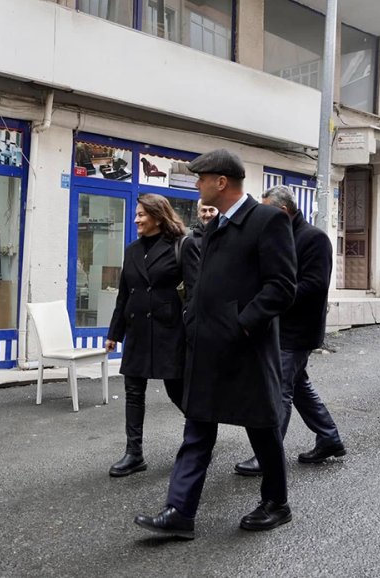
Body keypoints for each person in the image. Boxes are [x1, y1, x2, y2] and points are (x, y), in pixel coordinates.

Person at [134, 149, 296, 539]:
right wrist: (193, 320)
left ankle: (277, 502)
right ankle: (179, 511)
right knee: (197, 428)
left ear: (221, 182)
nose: (197, 186)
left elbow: (281, 287)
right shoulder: (212, 226)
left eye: (201, 179)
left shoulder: (267, 220)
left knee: (262, 426)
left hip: (247, 348)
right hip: (205, 347)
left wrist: (241, 325)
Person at [234, 185, 345, 477]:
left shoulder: (314, 238)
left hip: (298, 329)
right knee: (298, 387)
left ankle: (267, 456)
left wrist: (276, 295)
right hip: (278, 326)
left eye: (266, 208)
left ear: (282, 210)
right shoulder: (277, 236)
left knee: (278, 391)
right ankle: (329, 438)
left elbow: (315, 285)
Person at [105, 194, 190, 477]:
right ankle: (134, 453)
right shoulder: (132, 250)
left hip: (170, 331)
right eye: (137, 214)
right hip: (138, 330)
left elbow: (195, 292)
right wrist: (114, 333)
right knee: (133, 392)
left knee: (178, 390)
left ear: (158, 216)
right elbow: (124, 294)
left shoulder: (180, 246)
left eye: (142, 214)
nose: (137, 219)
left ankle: (199, 438)